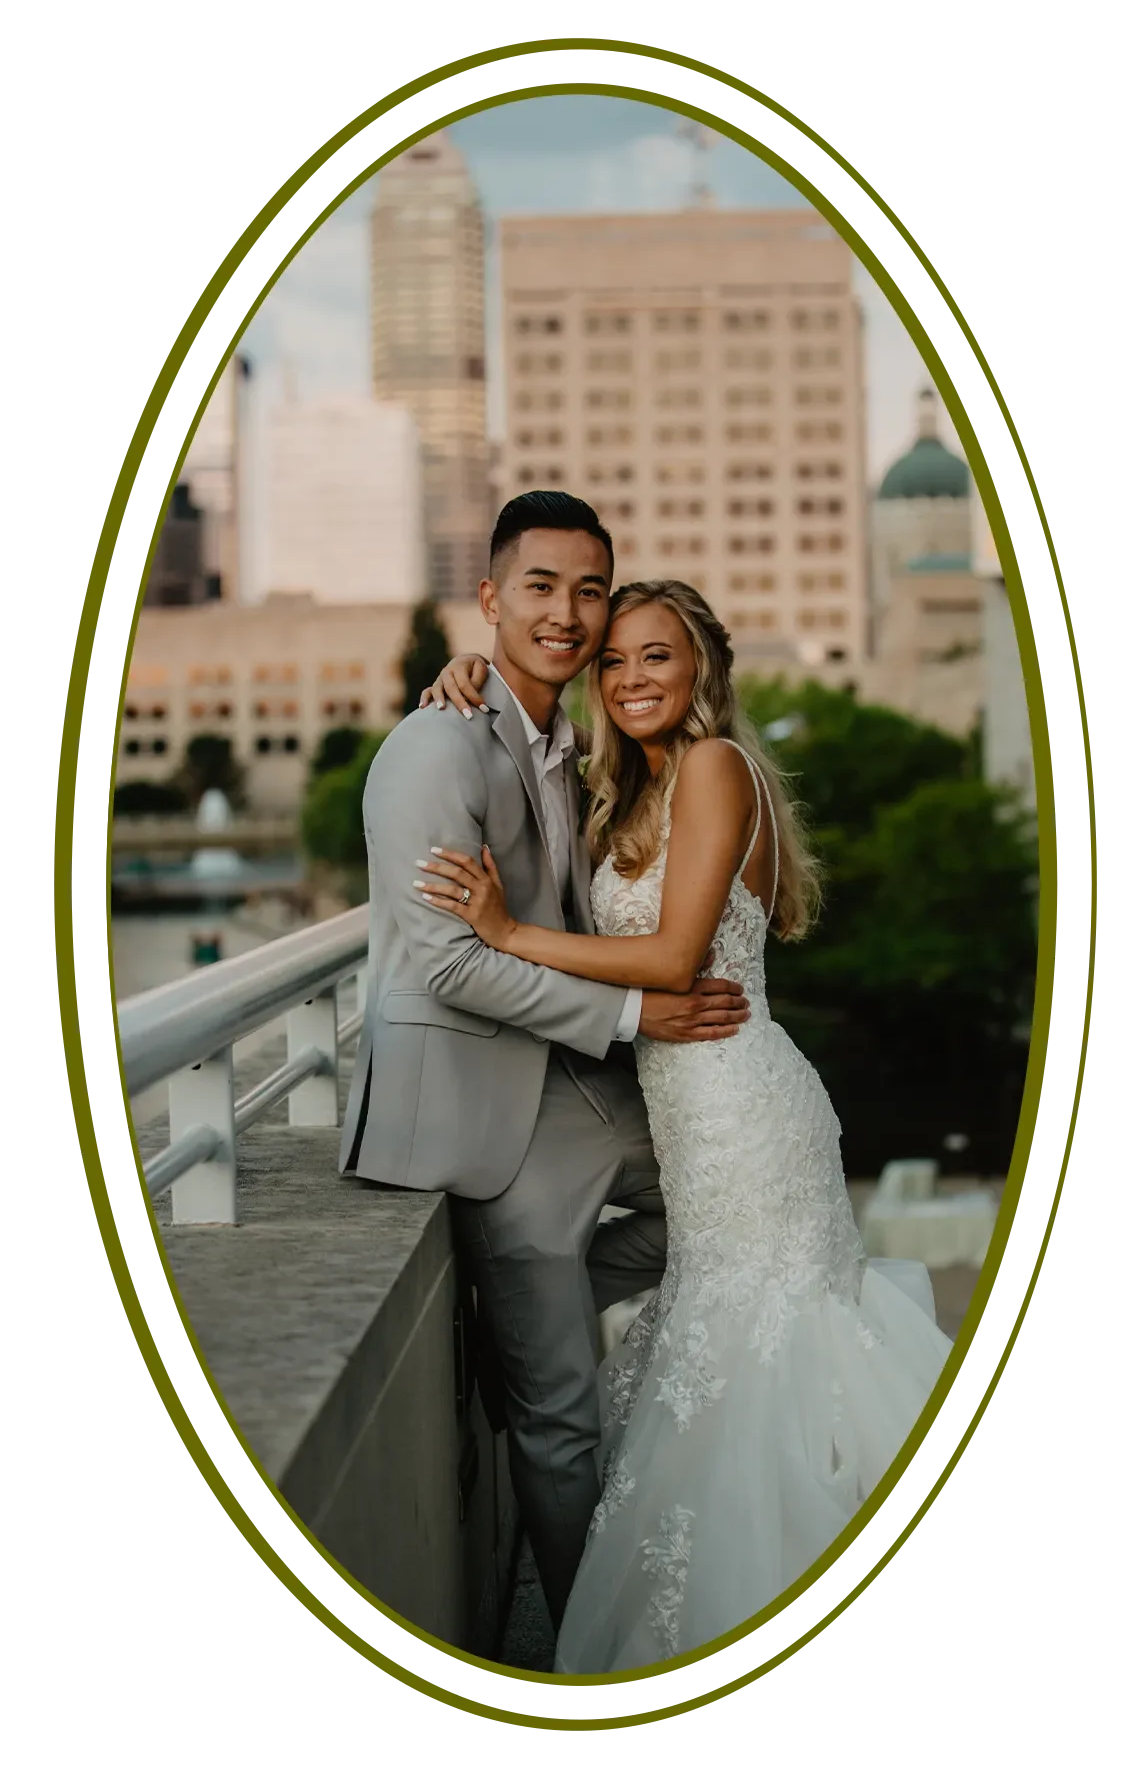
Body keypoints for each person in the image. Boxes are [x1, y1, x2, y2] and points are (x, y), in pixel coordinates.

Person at [416, 577, 954, 1673]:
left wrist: (505, 932)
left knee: (764, 1350)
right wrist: (469, 678)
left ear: (701, 666)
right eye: (612, 661)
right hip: (692, 1113)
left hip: (742, 1111)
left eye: (655, 656)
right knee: (727, 1341)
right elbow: (529, 740)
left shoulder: (712, 767)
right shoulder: (636, 786)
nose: (628, 678)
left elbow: (670, 960)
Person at [337, 494, 751, 1636]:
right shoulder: (432, 746)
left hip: (578, 1083)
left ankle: (524, 1321)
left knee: (736, 1205)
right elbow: (448, 965)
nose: (565, 612)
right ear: (490, 598)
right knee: (561, 1419)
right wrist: (635, 1013)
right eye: (539, 586)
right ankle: (585, 1649)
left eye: (588, 590)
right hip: (491, 1109)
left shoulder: (577, 746)